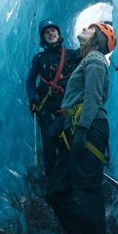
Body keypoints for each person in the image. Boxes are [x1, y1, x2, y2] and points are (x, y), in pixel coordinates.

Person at [45, 22, 117, 234]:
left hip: (87, 128)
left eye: (91, 28)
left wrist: (83, 129)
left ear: (98, 38)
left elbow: (93, 97)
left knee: (88, 191)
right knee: (57, 191)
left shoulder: (96, 59)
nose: (85, 29)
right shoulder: (87, 60)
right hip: (75, 128)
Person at [26, 19, 80, 174]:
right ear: (43, 38)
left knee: (69, 140)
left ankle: (69, 173)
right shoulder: (39, 58)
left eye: (53, 30)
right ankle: (52, 175)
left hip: (68, 106)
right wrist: (32, 99)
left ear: (59, 33)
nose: (50, 33)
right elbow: (30, 82)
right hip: (46, 106)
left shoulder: (71, 55)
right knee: (49, 141)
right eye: (46, 32)